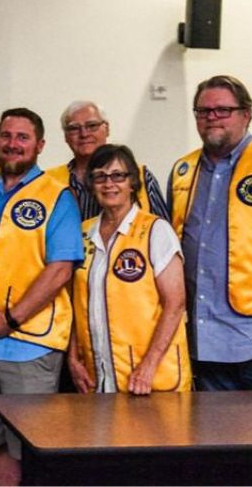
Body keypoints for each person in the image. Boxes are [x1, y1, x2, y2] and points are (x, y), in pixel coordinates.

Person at [0, 108, 83, 486]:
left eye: (22, 137)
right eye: (6, 135)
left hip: (30, 345)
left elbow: (61, 269)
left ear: (40, 145)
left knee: (30, 447)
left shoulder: (56, 196)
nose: (12, 144)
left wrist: (10, 319)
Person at [169, 74, 252, 391]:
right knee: (211, 437)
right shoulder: (182, 170)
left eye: (222, 110)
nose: (211, 118)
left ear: (247, 114)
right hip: (202, 338)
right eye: (203, 111)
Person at [68, 144, 190, 395]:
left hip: (151, 380)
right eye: (100, 176)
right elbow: (73, 301)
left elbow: (175, 303)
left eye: (118, 176)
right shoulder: (83, 233)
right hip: (97, 377)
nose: (108, 184)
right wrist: (73, 358)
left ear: (132, 182)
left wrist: (148, 366)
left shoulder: (156, 230)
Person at [46, 100, 169, 221]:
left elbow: (162, 230)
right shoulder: (48, 181)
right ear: (65, 136)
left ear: (107, 129)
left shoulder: (141, 175)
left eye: (92, 126)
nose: (84, 134)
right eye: (74, 128)